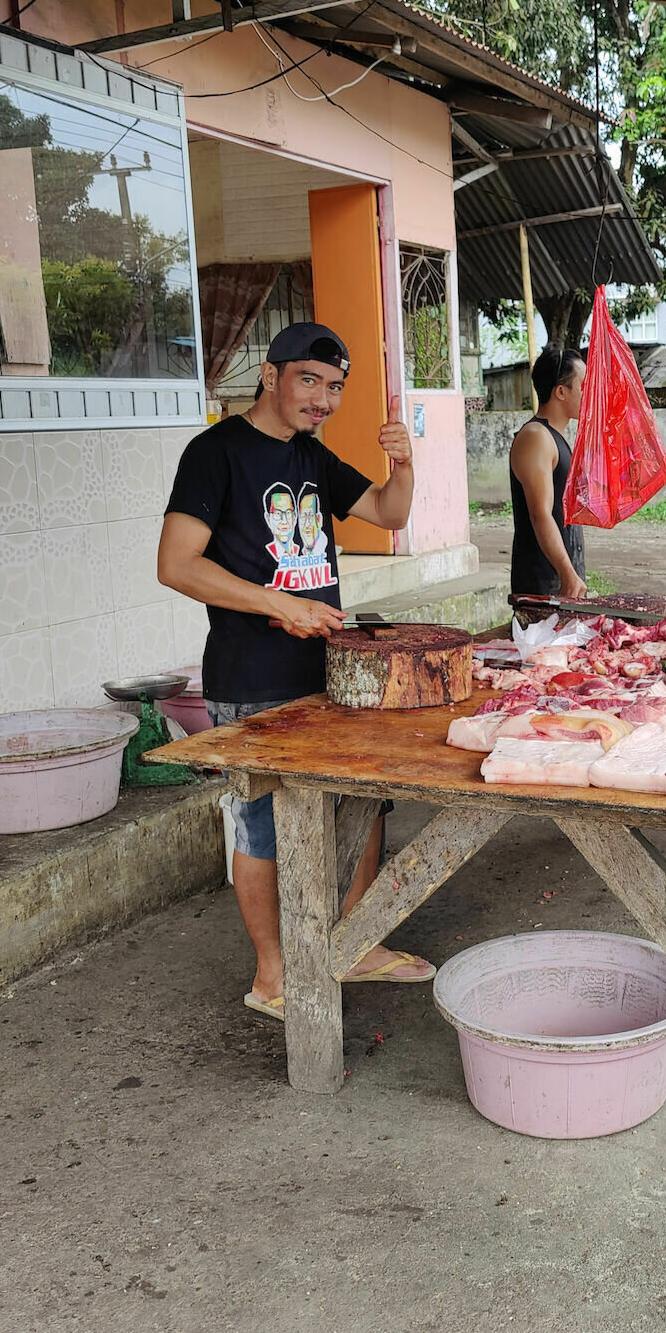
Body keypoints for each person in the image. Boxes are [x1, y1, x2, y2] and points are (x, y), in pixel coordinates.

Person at [157, 322, 430, 1021]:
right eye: (309, 380)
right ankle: (272, 975)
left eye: (335, 387)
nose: (323, 399)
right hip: (251, 677)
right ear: (269, 374)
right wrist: (278, 603)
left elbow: (387, 512)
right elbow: (177, 564)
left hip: (329, 672)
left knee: (361, 803)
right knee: (262, 826)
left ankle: (354, 944)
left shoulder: (311, 454)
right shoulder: (214, 452)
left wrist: (404, 465)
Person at [509, 347, 588, 599]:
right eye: (583, 386)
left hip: (563, 578)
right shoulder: (536, 437)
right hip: (543, 583)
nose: (588, 394)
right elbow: (540, 513)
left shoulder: (555, 437)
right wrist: (567, 573)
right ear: (561, 392)